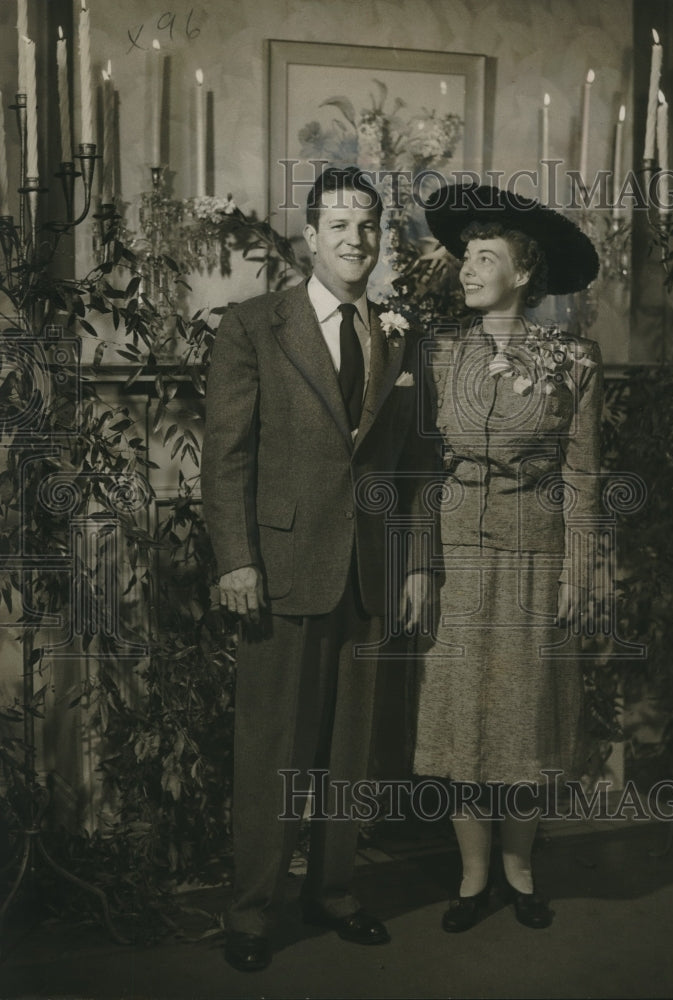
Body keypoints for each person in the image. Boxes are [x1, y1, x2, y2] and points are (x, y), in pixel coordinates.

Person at [201, 166, 429, 971]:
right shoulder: (254, 325)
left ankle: (333, 892)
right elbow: (225, 459)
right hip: (283, 566)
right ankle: (251, 911)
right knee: (272, 748)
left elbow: (413, 466)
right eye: (339, 224)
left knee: (348, 750)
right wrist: (237, 560)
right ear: (309, 235)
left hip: (369, 569)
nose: (355, 239)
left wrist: (412, 564)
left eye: (368, 225)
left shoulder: (401, 334)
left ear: (380, 237)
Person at [413, 183, 602, 932]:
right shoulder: (434, 353)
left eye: (484, 257)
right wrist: (416, 562)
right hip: (456, 555)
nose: (466, 267)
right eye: (465, 255)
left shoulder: (570, 359)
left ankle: (520, 873)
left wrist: (580, 565)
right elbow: (414, 467)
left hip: (534, 553)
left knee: (523, 719)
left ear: (523, 274)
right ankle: (471, 876)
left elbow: (584, 473)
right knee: (461, 718)